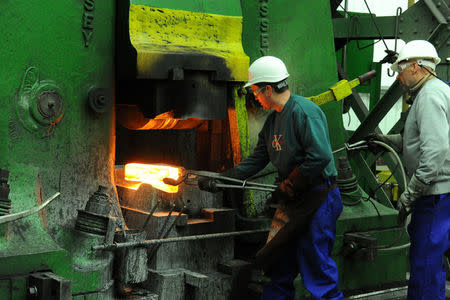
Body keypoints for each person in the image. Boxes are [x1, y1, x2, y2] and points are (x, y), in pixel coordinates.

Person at [200, 56, 344, 299]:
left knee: (316, 265)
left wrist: (291, 183)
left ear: (267, 88)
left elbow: (320, 157)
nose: (254, 96)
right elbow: (258, 159)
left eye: (255, 91)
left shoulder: (305, 112)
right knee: (278, 261)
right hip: (294, 200)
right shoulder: (273, 121)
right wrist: (224, 178)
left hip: (317, 199)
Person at [367, 40, 450, 300]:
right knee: (433, 265)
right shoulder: (440, 91)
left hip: (435, 197)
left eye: (399, 70)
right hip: (443, 195)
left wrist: (410, 194)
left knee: (425, 267)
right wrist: (392, 141)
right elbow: (427, 140)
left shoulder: (428, 96)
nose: (398, 78)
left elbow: (435, 151)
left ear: (415, 66)